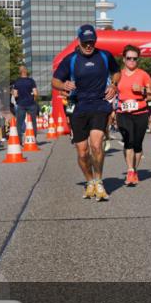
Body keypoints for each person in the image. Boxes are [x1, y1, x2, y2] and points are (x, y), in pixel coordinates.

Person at [51, 24, 120, 201]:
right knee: (82, 152)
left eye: (91, 42)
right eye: (85, 42)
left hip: (99, 104)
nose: (89, 45)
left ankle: (99, 180)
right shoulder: (71, 59)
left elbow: (117, 72)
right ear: (79, 41)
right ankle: (89, 181)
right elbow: (55, 81)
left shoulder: (104, 56)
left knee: (96, 144)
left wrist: (113, 84)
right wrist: (63, 85)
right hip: (78, 106)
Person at [116, 45, 151, 185]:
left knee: (138, 144)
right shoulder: (118, 75)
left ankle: (134, 170)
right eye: (129, 58)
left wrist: (142, 89)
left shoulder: (143, 74)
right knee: (129, 140)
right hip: (123, 113)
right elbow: (111, 91)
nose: (132, 61)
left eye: (135, 59)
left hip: (141, 112)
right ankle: (130, 171)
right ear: (124, 59)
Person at [12, 65, 39, 141]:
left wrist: (17, 99)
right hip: (31, 104)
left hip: (21, 104)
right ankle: (33, 139)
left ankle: (19, 141)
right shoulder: (31, 81)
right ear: (26, 71)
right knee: (33, 122)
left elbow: (15, 94)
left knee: (19, 123)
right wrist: (34, 100)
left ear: (20, 72)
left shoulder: (17, 82)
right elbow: (35, 93)